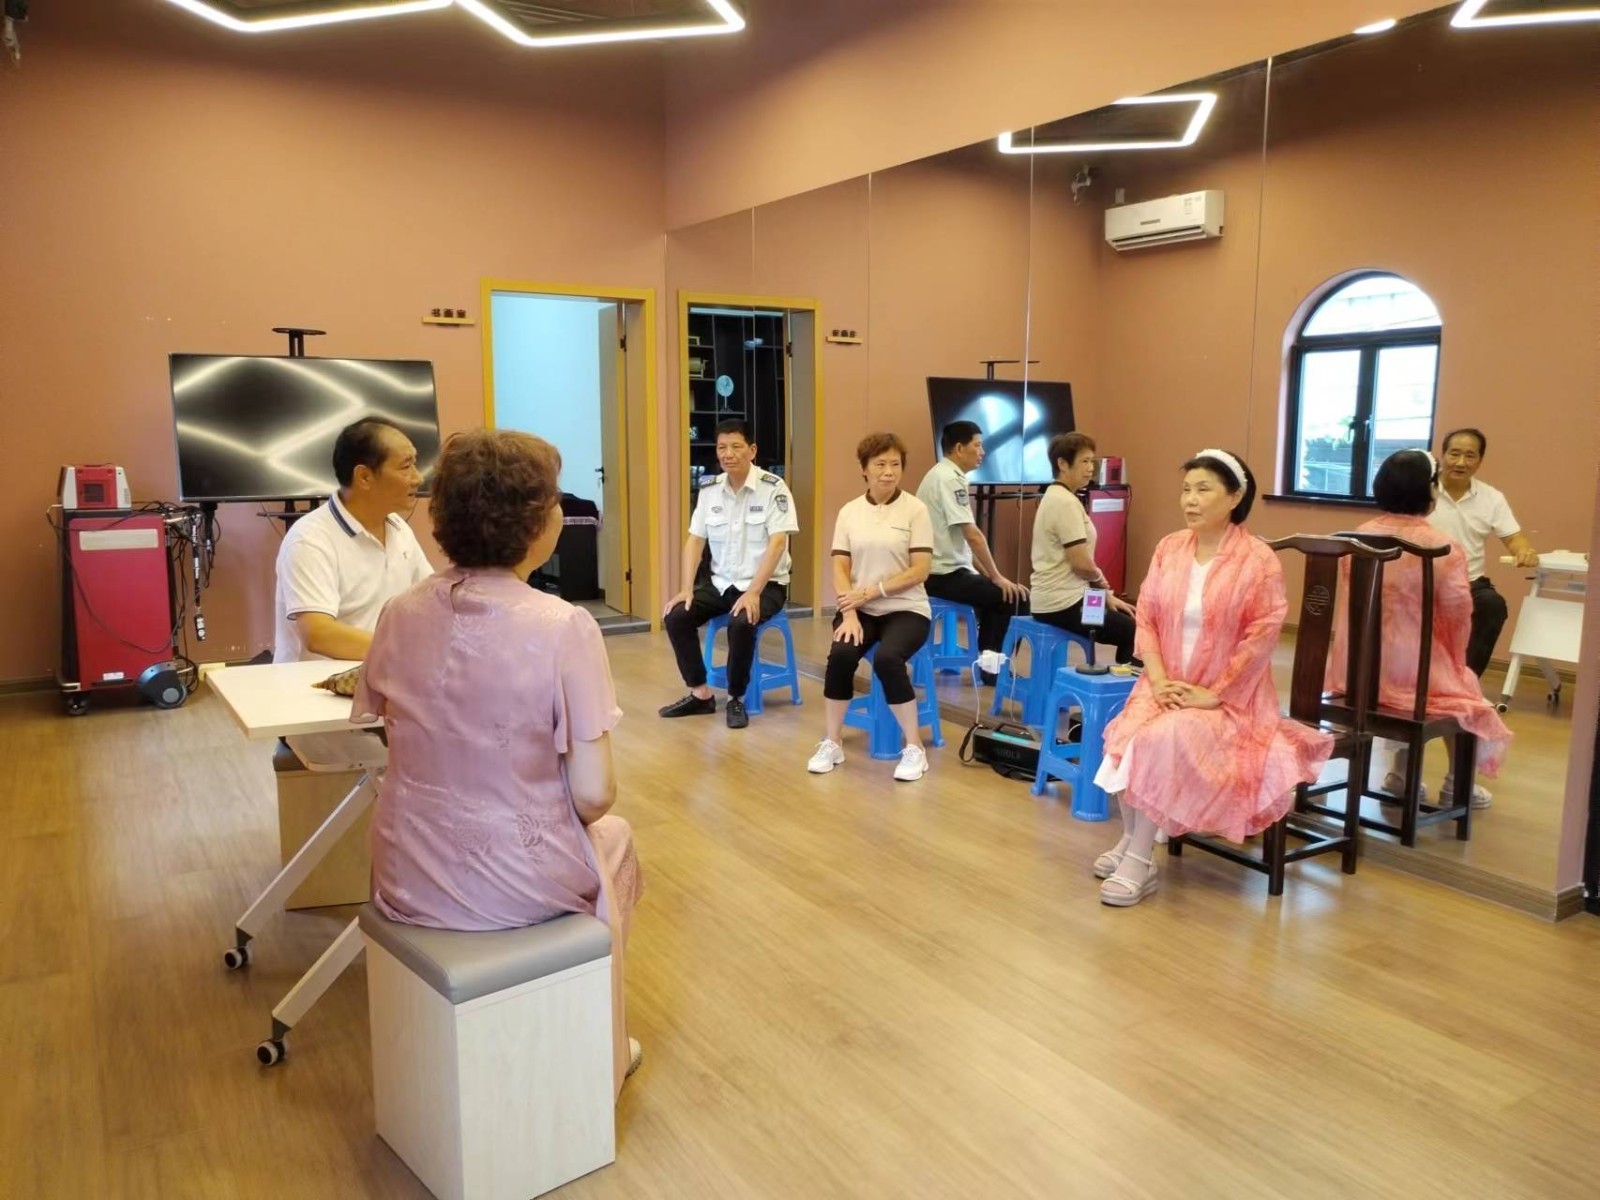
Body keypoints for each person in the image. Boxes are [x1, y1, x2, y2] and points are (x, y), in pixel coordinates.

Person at [351, 429, 644, 1095]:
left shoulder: (399, 613)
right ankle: (596, 1051)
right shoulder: (563, 625)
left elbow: (396, 737)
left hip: (402, 868)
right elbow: (594, 795)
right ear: (538, 524)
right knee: (615, 839)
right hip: (509, 884)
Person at [1090, 449, 1335, 908]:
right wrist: (1157, 680)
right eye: (1186, 489)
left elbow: (1262, 638)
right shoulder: (1169, 547)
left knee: (1159, 739)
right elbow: (1147, 616)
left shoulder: (1257, 560)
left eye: (1204, 489)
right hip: (1166, 684)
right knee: (1125, 734)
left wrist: (1214, 694)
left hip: (1231, 700)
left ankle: (1140, 859)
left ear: (1235, 496)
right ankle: (1130, 838)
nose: (1190, 499)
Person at [1334, 449, 1512, 809]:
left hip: (1355, 671)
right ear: (1429, 491)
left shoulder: (1357, 537)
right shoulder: (1442, 546)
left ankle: (1401, 775)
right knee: (1464, 689)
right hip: (1410, 675)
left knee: (1429, 677)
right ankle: (1457, 783)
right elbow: (1458, 616)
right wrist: (1452, 658)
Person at [808, 432, 935, 782]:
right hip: (860, 609)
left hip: (906, 608)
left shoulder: (915, 510)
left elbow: (920, 571)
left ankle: (914, 747)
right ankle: (832, 741)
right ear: (864, 469)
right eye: (880, 464)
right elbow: (840, 567)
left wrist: (871, 592)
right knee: (841, 655)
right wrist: (849, 613)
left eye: (895, 464)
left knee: (888, 659)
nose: (888, 472)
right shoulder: (850, 512)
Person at [659, 419, 799, 729]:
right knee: (676, 616)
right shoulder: (710, 490)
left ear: (752, 450)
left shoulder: (773, 488)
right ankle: (700, 693)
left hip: (766, 585)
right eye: (722, 447)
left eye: (736, 446)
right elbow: (695, 540)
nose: (728, 454)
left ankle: (736, 697)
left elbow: (778, 544)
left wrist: (754, 592)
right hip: (722, 583)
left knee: (742, 622)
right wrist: (686, 588)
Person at [273, 416, 432, 664]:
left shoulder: (398, 528)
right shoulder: (310, 539)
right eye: (405, 466)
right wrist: (405, 652)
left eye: (415, 464)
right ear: (364, 477)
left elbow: (431, 601)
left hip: (380, 675)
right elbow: (319, 634)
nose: (418, 478)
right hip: (319, 684)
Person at [916, 420, 1027, 682]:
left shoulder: (940, 474)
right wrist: (997, 577)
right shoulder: (950, 479)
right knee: (1016, 599)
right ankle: (993, 671)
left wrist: (989, 576)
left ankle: (990, 666)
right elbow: (973, 535)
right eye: (977, 445)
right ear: (958, 448)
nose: (982, 452)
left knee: (1000, 594)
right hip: (941, 575)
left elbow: (962, 545)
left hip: (944, 570)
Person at [1427, 428, 1539, 678]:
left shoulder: (1491, 498)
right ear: (1442, 455)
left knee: (1492, 605)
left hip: (1469, 582)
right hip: (1422, 580)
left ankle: (1464, 681)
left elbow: (1514, 538)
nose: (1460, 462)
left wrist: (1524, 551)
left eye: (1470, 456)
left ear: (1479, 461)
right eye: (1454, 454)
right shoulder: (1421, 491)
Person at [1029, 431, 1137, 664]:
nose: (1090, 468)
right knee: (1137, 631)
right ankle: (1130, 686)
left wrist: (1106, 596)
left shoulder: (1057, 496)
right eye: (1084, 461)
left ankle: (1124, 680)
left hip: (1067, 598)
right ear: (1062, 464)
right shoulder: (1065, 502)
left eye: (1092, 462)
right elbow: (1081, 565)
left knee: (1128, 619)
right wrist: (1104, 587)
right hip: (1063, 605)